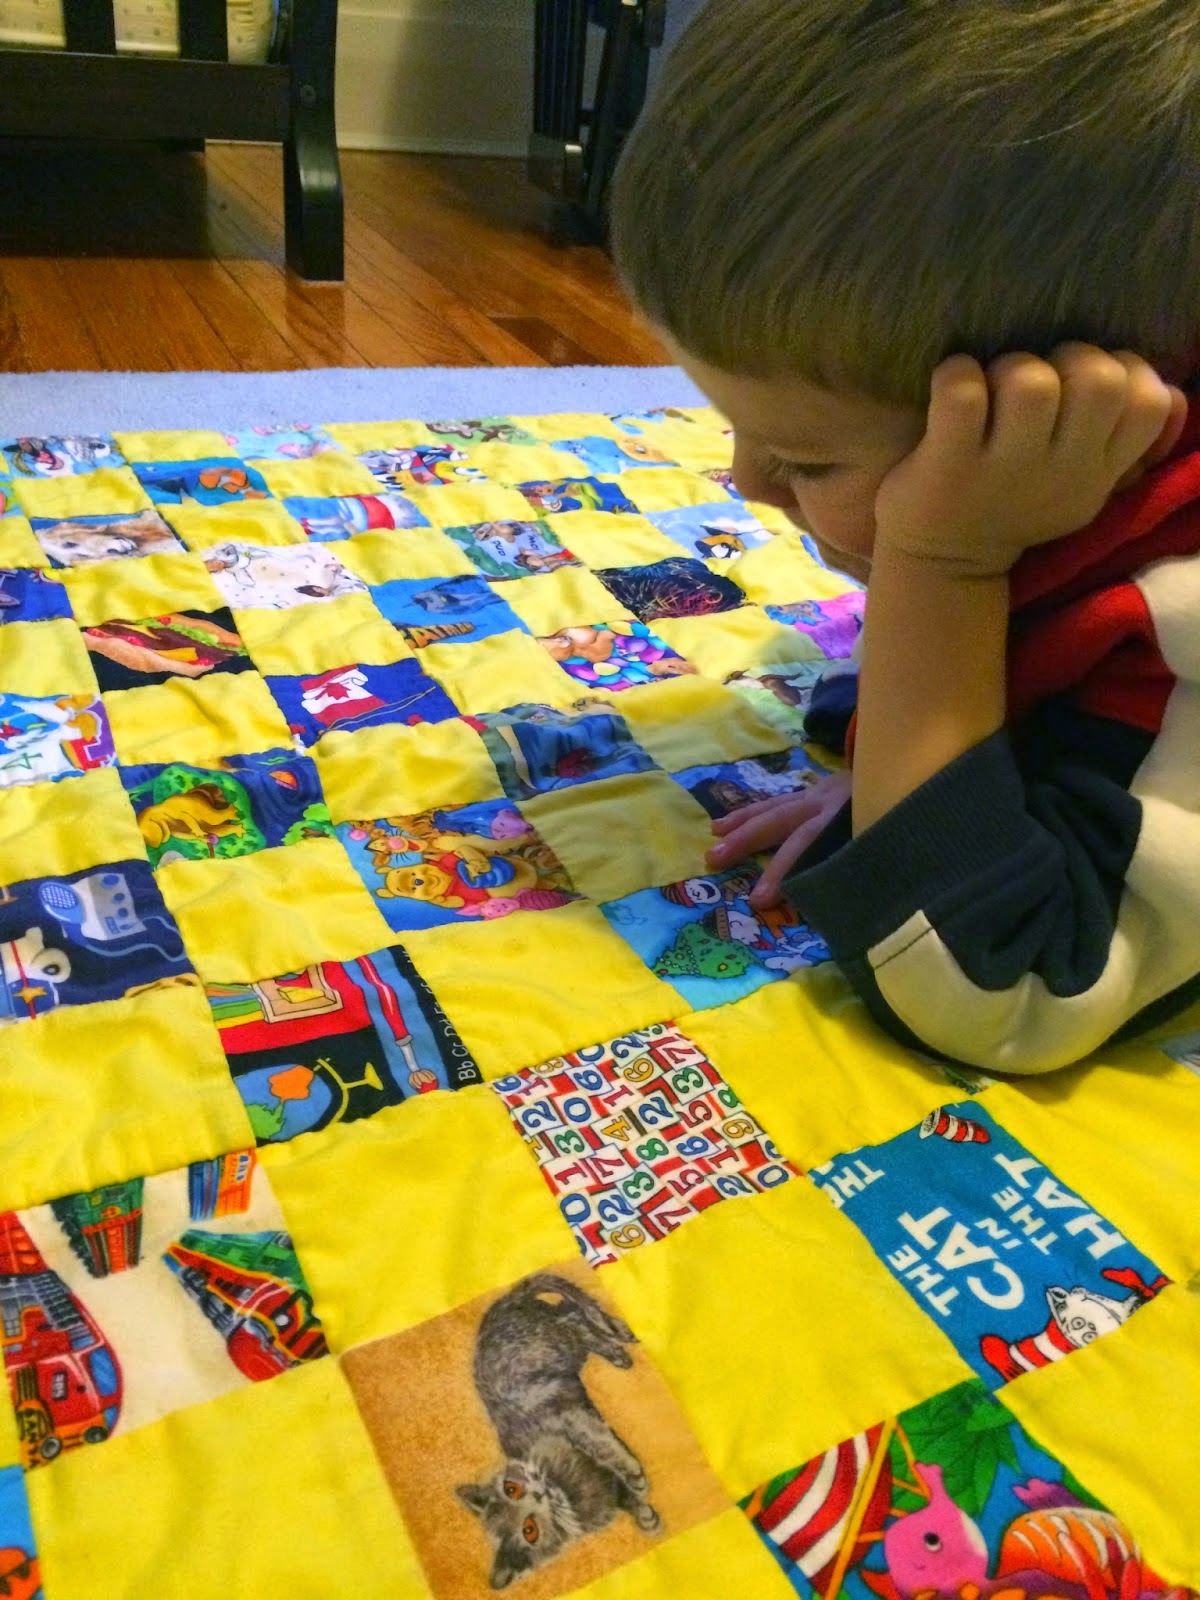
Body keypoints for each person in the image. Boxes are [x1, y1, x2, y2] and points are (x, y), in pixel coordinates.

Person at [609, 0, 1200, 1074]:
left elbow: (1008, 990)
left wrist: (945, 565)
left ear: (1091, 422)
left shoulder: (1177, 613)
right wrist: (927, 756)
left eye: (809, 460)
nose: (745, 483)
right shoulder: (1084, 500)